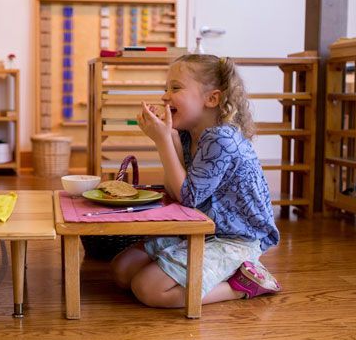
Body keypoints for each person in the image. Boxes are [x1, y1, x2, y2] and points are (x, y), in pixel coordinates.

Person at [110, 54, 282, 308]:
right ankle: (214, 274)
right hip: (201, 227)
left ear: (212, 99)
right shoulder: (189, 133)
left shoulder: (221, 138)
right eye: (165, 89)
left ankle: (245, 285)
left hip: (235, 238)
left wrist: (162, 141)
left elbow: (187, 196)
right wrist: (170, 138)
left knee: (148, 289)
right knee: (121, 271)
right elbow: (178, 192)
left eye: (175, 88)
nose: (165, 96)